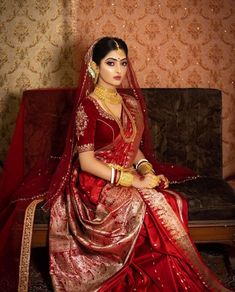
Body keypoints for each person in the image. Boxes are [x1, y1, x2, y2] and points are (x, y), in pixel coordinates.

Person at [0, 37, 230, 291]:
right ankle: (131, 269)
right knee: (137, 203)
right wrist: (131, 180)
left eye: (123, 63)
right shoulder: (87, 108)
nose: (119, 70)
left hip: (127, 171)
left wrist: (146, 169)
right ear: (95, 67)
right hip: (96, 180)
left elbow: (133, 148)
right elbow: (86, 162)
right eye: (111, 63)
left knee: (168, 200)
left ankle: (166, 269)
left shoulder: (129, 103)